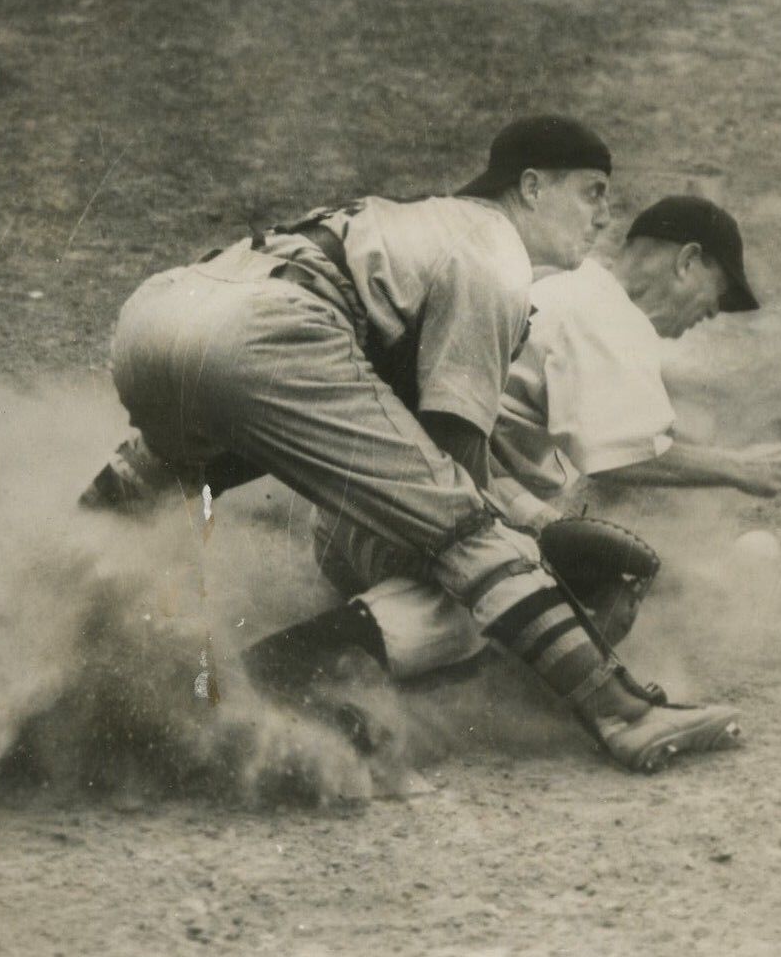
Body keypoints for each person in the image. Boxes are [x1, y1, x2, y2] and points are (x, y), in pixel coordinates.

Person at [82, 117, 743, 774]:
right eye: (592, 191)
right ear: (532, 187)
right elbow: (453, 479)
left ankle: (49, 621)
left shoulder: (410, 220)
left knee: (165, 472)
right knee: (471, 534)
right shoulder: (495, 253)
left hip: (155, 319)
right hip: (270, 335)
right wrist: (535, 542)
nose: (604, 215)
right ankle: (625, 713)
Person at [309, 195, 781, 685]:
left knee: (544, 551)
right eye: (718, 292)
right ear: (688, 261)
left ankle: (393, 656)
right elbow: (619, 459)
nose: (712, 313)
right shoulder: (609, 320)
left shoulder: (567, 283)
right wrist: (737, 468)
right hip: (403, 523)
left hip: (355, 510)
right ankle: (294, 664)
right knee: (520, 589)